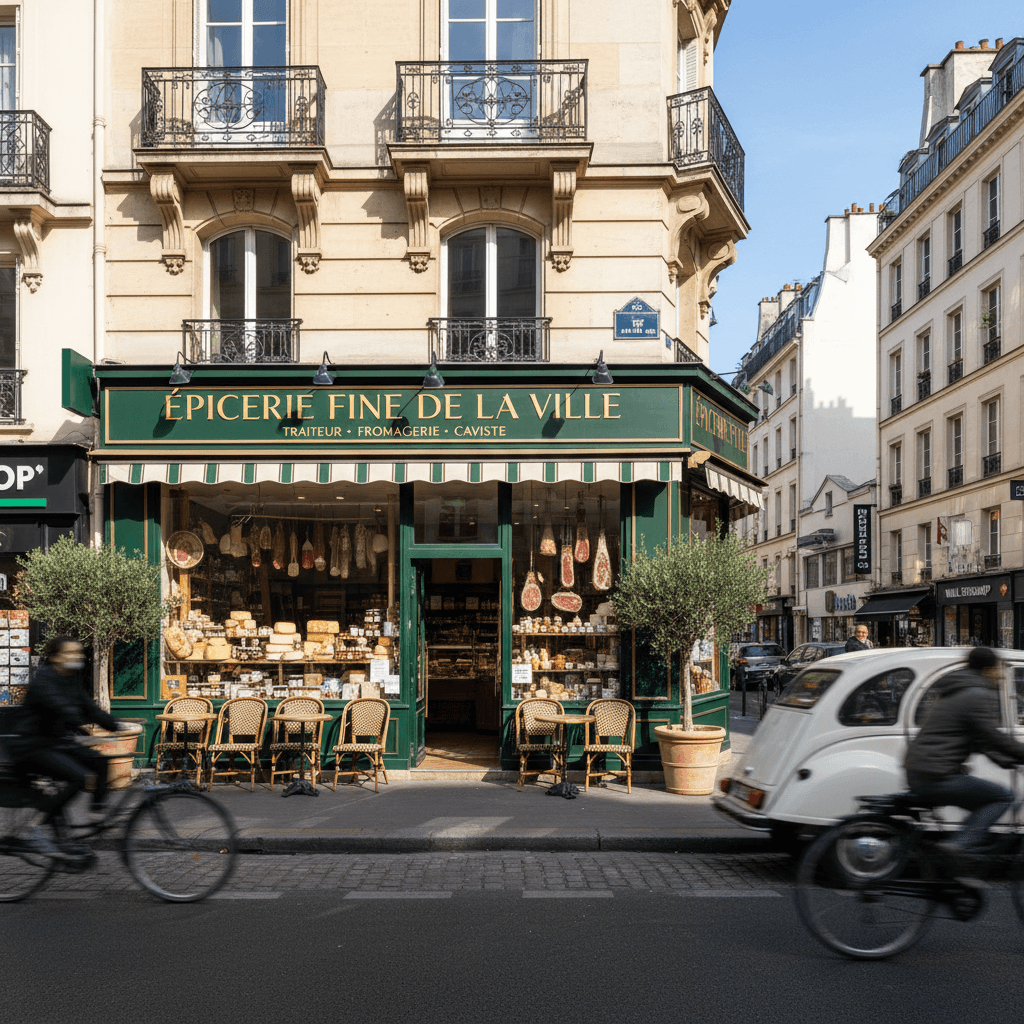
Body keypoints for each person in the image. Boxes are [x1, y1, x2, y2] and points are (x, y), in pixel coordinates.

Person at [7, 636, 134, 853]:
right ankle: (38, 825)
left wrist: (116, 725)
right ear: (56, 657)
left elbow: (89, 707)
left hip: (57, 742)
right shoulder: (44, 680)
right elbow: (62, 708)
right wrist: (83, 726)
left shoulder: (71, 679)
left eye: (78, 652)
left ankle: (96, 815)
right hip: (33, 746)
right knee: (79, 777)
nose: (77, 657)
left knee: (101, 762)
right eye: (70, 652)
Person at [904, 646, 1024, 868]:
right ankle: (958, 846)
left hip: (922, 770)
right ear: (988, 669)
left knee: (982, 806)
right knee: (1002, 797)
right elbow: (992, 735)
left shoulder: (959, 690)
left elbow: (982, 741)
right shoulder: (977, 694)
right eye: (998, 668)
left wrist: (1008, 761)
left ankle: (960, 860)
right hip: (936, 775)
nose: (1000, 674)